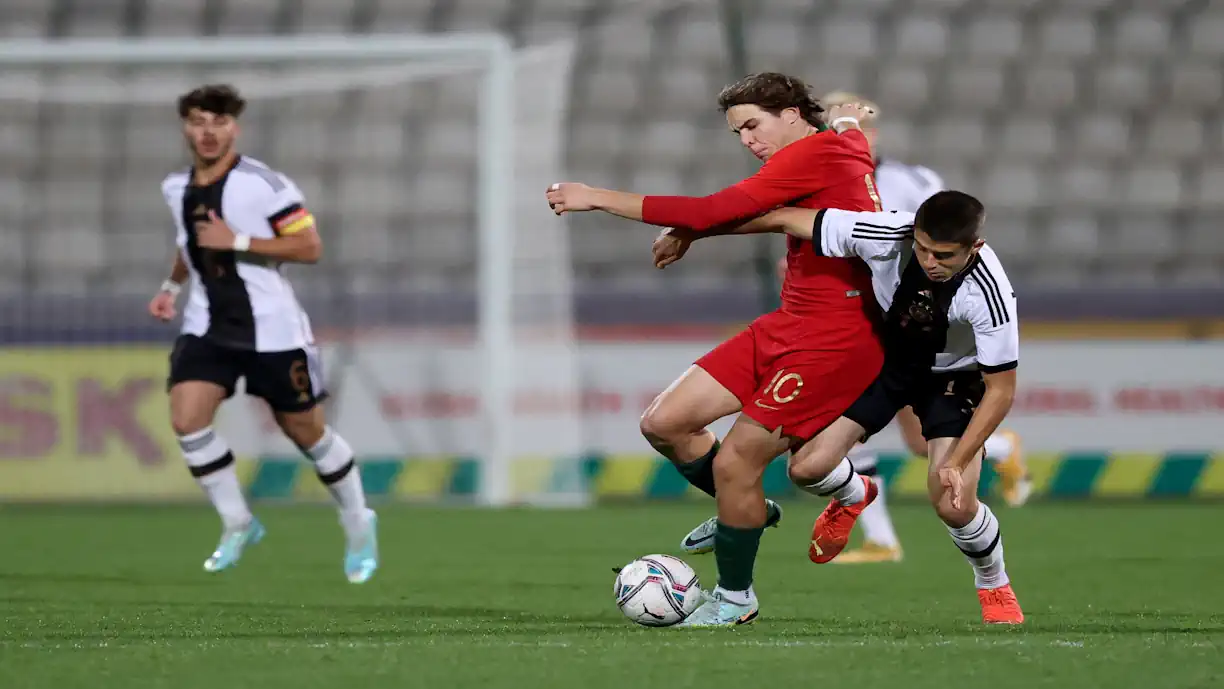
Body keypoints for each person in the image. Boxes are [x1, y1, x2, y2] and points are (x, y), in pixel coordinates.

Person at [546, 72, 883, 626]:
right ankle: (747, 511)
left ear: (793, 114)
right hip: (790, 321)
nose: (749, 141)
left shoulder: (814, 156)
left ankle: (735, 600)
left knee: (735, 463)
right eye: (739, 133)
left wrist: (594, 197)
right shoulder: (839, 143)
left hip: (836, 338)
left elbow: (709, 209)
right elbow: (836, 148)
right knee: (666, 422)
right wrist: (849, 119)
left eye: (754, 125)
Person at [660, 191, 1024, 624]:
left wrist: (959, 459)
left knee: (952, 502)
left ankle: (993, 581)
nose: (929, 261)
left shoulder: (990, 292)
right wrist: (694, 231)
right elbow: (784, 218)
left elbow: (1000, 391)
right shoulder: (888, 232)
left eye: (943, 255)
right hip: (885, 361)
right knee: (806, 469)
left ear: (974, 248)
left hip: (950, 378)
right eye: (923, 248)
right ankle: (855, 494)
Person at [149, 84, 378, 583]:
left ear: (236, 127)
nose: (208, 132)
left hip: (273, 332)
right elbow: (189, 243)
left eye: (219, 122)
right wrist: (171, 285)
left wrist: (239, 241)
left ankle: (358, 519)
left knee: (307, 433)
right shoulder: (175, 187)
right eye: (198, 121)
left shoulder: (265, 185)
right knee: (188, 419)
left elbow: (310, 247)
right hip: (207, 326)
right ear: (185, 127)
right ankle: (238, 521)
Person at [819, 91, 1032, 565]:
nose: (838, 133)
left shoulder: (908, 184)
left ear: (870, 132)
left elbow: (946, 240)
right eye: (829, 125)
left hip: (913, 328)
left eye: (850, 124)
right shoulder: (818, 180)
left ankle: (996, 449)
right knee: (840, 432)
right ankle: (880, 538)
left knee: (918, 443)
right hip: (855, 320)